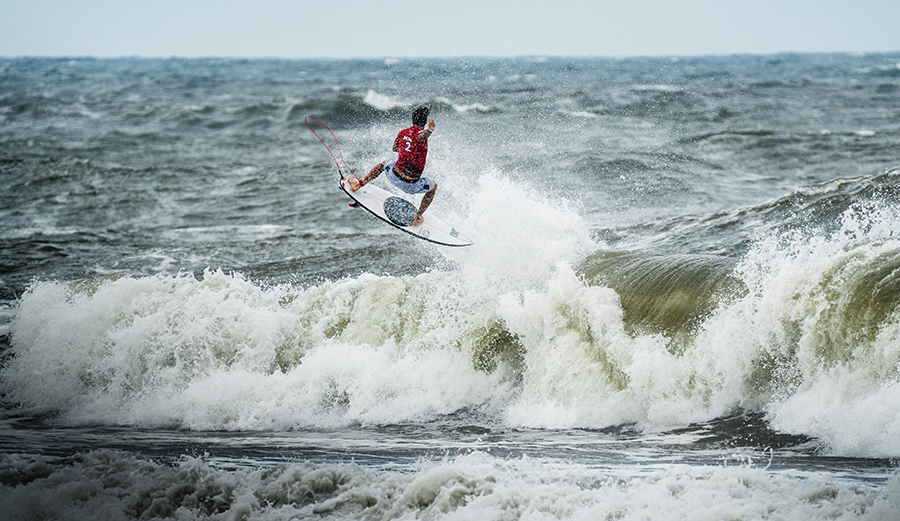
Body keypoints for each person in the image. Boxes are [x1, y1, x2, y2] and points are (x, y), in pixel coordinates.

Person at [349, 106, 436, 226]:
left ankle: (359, 184)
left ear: (412, 120)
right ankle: (418, 217)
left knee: (384, 163)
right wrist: (430, 130)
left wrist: (406, 150)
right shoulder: (421, 134)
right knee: (433, 187)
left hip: (393, 176)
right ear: (425, 122)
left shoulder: (403, 132)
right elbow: (421, 137)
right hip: (412, 186)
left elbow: (395, 149)